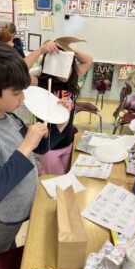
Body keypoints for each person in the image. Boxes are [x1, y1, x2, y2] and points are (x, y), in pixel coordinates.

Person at [0, 41, 70, 258]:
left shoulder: (10, 118)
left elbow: (40, 148)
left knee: (12, 249)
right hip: (10, 212)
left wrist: (61, 121)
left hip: (28, 201)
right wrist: (25, 145)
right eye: (16, 93)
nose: (23, 98)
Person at [31, 43, 93, 175]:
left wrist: (69, 51)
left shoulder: (72, 80)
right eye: (61, 65)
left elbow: (88, 60)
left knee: (64, 175)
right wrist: (41, 50)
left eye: (69, 65)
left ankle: (42, 173)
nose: (67, 71)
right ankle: (42, 173)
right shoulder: (41, 82)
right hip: (49, 147)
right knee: (58, 181)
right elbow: (18, 73)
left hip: (68, 142)